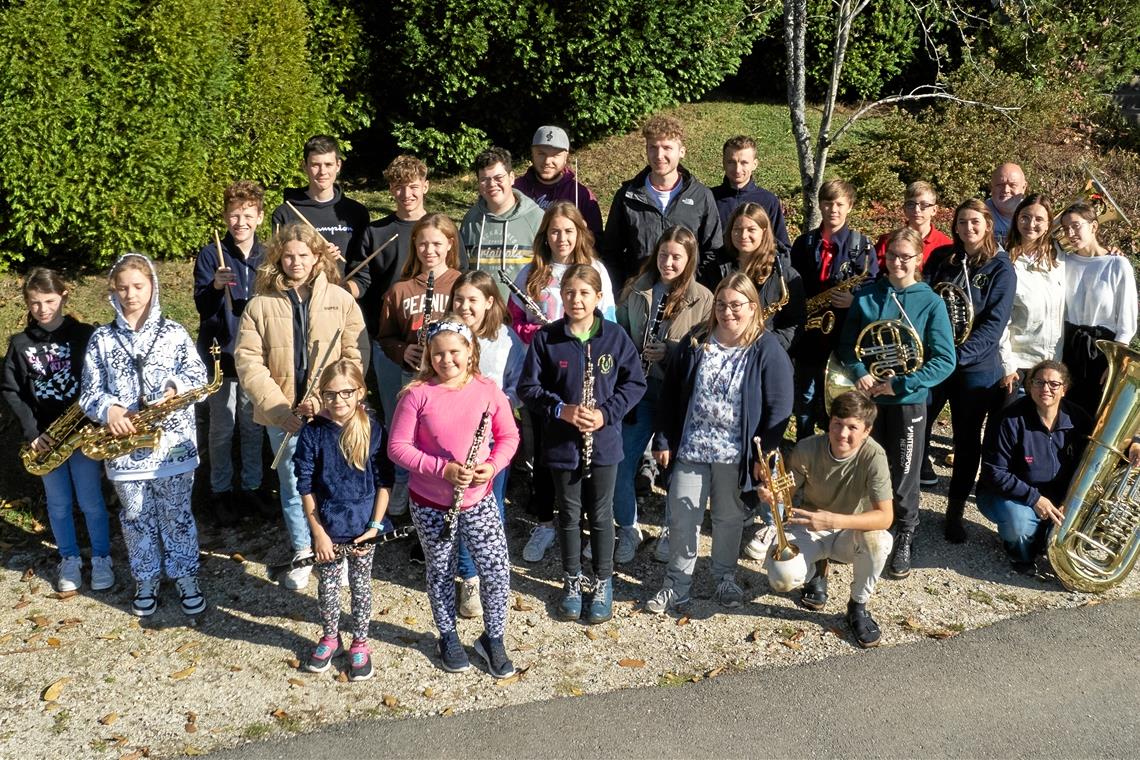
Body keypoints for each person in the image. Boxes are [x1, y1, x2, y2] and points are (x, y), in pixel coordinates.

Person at [646, 272, 793, 614]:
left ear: (753, 307)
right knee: (682, 515)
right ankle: (676, 585)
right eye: (722, 304)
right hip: (692, 446)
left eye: (737, 305)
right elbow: (670, 394)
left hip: (736, 453)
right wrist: (663, 437)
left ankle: (724, 578)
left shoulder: (766, 347)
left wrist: (766, 452)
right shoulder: (696, 340)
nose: (728, 312)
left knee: (728, 517)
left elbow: (781, 404)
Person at [235, 224, 368, 590]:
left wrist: (331, 398)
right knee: (294, 484)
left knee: (334, 481)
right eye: (288, 255)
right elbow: (248, 360)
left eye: (303, 255)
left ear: (317, 258)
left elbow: (355, 352)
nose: (296, 262)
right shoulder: (260, 305)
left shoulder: (340, 300)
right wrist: (280, 409)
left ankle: (336, 549)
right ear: (278, 258)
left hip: (330, 410)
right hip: (284, 415)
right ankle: (302, 549)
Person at [387, 319, 520, 679]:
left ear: (470, 352)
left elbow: (509, 436)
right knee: (441, 571)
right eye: (439, 353)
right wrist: (441, 469)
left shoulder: (487, 390)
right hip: (431, 502)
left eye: (455, 352)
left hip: (479, 498)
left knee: (495, 569)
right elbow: (397, 448)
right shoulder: (417, 394)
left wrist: (491, 467)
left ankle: (492, 638)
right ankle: (447, 635)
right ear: (429, 356)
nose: (447, 360)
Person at [79, 253, 209, 617]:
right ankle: (146, 577)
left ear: (153, 286)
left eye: (138, 286)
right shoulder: (102, 339)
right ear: (113, 292)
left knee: (178, 514)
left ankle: (185, 575)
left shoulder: (174, 333)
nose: (131, 295)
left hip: (172, 448)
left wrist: (174, 390)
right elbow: (89, 393)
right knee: (135, 516)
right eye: (123, 288)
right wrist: (110, 410)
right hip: (123, 449)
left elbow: (199, 379)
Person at [519, 264, 646, 624]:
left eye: (584, 293)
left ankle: (603, 582)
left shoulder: (615, 337)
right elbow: (528, 388)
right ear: (562, 295)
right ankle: (572, 580)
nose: (576, 299)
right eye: (570, 292)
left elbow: (634, 384)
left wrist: (607, 414)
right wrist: (560, 409)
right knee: (570, 515)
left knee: (601, 515)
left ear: (598, 298)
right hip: (561, 444)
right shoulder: (548, 338)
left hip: (603, 442)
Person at [838, 227, 955, 574]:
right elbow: (847, 346)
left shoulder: (931, 301)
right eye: (892, 255)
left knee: (904, 472)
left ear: (918, 259)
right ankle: (864, 524)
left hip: (907, 400)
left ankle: (905, 531)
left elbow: (944, 359)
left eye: (906, 256)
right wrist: (859, 369)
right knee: (866, 467)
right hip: (869, 399)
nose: (897, 262)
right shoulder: (867, 296)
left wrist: (902, 383)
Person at [511, 201, 617, 563]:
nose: (562, 238)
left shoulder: (594, 270)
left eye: (568, 231)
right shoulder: (531, 271)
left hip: (585, 376)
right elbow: (514, 319)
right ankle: (544, 522)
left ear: (580, 233)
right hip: (542, 375)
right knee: (542, 455)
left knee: (586, 457)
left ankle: (589, 527)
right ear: (545, 234)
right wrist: (536, 330)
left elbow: (609, 322)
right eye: (555, 231)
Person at [3, 269, 112, 594]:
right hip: (45, 439)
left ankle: (102, 557)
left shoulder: (84, 335)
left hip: (83, 433)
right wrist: (32, 431)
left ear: (63, 297)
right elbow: (11, 391)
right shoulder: (20, 344)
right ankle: (69, 557)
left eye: (49, 300)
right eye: (34, 303)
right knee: (59, 504)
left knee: (91, 501)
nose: (42, 308)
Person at [762, 391, 895, 649]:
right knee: (782, 575)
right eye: (837, 423)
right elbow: (785, 496)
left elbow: (886, 517)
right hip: (811, 525)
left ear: (867, 430)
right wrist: (771, 494)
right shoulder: (807, 447)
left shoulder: (874, 456)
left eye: (852, 427)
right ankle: (816, 571)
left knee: (880, 540)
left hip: (848, 530)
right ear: (829, 422)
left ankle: (857, 606)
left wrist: (833, 520)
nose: (842, 433)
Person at [616, 226, 714, 564]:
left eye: (676, 257)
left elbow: (706, 353)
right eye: (663, 254)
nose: (668, 262)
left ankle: (673, 528)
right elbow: (621, 338)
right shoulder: (637, 289)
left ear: (688, 260)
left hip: (679, 398)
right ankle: (628, 528)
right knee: (622, 461)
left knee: (679, 467)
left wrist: (671, 352)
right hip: (640, 391)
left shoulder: (704, 298)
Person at [923, 200, 1016, 550]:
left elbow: (993, 326)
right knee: (917, 426)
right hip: (937, 361)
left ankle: (955, 512)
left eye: (975, 221)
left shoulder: (1001, 269)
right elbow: (925, 301)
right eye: (961, 222)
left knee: (966, 441)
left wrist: (955, 357)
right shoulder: (942, 258)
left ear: (988, 224)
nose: (968, 228)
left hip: (976, 369)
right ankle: (903, 506)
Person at [295, 360, 392, 681]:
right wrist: (318, 534)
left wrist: (375, 527)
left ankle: (360, 642)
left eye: (346, 393)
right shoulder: (312, 433)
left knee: (361, 587)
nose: (338, 401)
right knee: (329, 585)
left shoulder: (374, 429)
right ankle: (330, 637)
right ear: (322, 395)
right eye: (330, 394)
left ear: (360, 392)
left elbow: (384, 482)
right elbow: (305, 486)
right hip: (328, 527)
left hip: (365, 527)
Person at [376, 213, 465, 519]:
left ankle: (445, 484)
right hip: (413, 374)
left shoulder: (460, 284)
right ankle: (404, 481)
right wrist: (403, 351)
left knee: (443, 434)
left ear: (449, 244)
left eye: (437, 243)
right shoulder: (400, 290)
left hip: (452, 378)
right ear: (414, 245)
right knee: (408, 433)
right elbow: (386, 337)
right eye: (423, 243)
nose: (430, 250)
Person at [449, 271, 524, 618]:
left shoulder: (507, 341)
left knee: (491, 506)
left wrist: (496, 405)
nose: (464, 306)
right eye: (459, 300)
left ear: (490, 303)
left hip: (492, 441)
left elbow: (517, 387)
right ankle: (469, 577)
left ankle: (494, 568)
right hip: (452, 442)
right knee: (463, 508)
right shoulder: (445, 337)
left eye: (472, 300)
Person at [193, 180, 268, 525]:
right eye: (235, 215)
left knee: (253, 425)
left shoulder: (267, 256)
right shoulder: (211, 255)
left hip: (255, 357)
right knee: (222, 426)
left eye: (248, 215)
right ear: (226, 217)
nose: (241, 222)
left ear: (260, 217)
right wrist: (215, 286)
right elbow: (202, 307)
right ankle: (220, 491)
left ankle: (251, 487)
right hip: (219, 354)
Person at [978, 360, 1091, 575]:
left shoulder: (1079, 418)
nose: (1045, 389)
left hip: (1057, 498)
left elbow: (1107, 445)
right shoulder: (1009, 419)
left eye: (1053, 384)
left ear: (1064, 389)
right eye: (1039, 382)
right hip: (1007, 495)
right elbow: (994, 473)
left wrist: (1136, 442)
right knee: (1019, 526)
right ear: (1029, 387)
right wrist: (1035, 499)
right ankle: (1020, 554)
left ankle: (1043, 538)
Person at [345, 155, 431, 422]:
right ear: (391, 190)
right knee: (397, 419)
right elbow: (362, 281)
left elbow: (456, 278)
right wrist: (340, 289)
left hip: (435, 340)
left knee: (432, 418)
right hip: (389, 339)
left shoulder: (439, 228)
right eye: (399, 187)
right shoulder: (376, 232)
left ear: (425, 186)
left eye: (413, 186)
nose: (407, 194)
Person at [790, 179, 875, 440]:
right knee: (805, 394)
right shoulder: (804, 243)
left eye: (839, 204)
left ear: (850, 206)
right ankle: (803, 443)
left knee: (839, 398)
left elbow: (873, 285)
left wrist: (854, 299)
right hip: (809, 334)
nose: (833, 209)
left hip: (843, 336)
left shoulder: (862, 246)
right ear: (820, 205)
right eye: (827, 203)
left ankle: (835, 445)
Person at [602, 115, 721, 291]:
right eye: (653, 147)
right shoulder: (627, 196)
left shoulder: (701, 196)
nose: (659, 155)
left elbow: (713, 251)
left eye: (667, 148)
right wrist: (623, 292)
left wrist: (695, 290)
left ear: (682, 151)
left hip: (686, 297)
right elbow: (611, 252)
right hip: (639, 295)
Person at [1058, 201, 1138, 417]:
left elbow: (1127, 322)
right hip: (1069, 344)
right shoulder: (1063, 261)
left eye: (1076, 226)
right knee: (1065, 412)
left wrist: (1115, 363)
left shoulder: (1118, 265)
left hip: (1102, 349)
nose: (1070, 233)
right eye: (1065, 228)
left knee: (1096, 414)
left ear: (1094, 226)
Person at [700, 202, 807, 354]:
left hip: (765, 357)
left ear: (764, 232)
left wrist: (766, 346)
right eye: (737, 229)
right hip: (720, 352)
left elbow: (794, 324)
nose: (743, 235)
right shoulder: (712, 269)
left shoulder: (786, 275)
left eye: (751, 229)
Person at [998, 194, 1065, 400]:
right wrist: (1007, 364)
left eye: (1039, 219)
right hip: (1016, 363)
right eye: (1025, 217)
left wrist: (1111, 253)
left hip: (1051, 362)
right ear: (1016, 219)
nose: (1031, 224)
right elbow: (1000, 319)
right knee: (1004, 426)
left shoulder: (1059, 258)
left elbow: (1091, 254)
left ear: (1048, 225)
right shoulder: (1003, 260)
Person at [459, 147, 545, 301]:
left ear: (511, 178)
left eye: (499, 177)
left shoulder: (536, 218)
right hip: (481, 316)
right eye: (484, 179)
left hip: (521, 316)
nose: (492, 184)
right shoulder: (470, 221)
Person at [270, 134, 369, 265]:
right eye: (315, 165)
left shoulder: (357, 212)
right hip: (301, 285)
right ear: (305, 166)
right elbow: (277, 262)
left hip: (345, 285)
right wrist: (320, 257)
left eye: (328, 164)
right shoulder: (285, 213)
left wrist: (348, 286)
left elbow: (363, 267)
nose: (322, 172)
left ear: (338, 165)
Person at [514, 125, 604, 240]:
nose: (547, 161)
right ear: (532, 153)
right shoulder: (516, 189)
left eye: (555, 155)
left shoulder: (581, 194)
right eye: (541, 154)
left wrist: (584, 234)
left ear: (566, 157)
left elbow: (598, 242)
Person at [712, 135, 790, 253]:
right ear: (723, 163)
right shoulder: (710, 198)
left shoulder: (768, 201)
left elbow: (782, 247)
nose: (737, 169)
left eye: (744, 163)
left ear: (754, 164)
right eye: (731, 162)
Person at [872, 181, 952, 269]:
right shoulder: (887, 241)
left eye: (924, 205)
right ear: (904, 209)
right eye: (911, 204)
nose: (916, 209)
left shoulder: (946, 245)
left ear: (934, 210)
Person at [985, 163, 1028, 244]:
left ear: (1024, 187)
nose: (1006, 190)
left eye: (1013, 185)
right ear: (991, 187)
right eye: (1000, 185)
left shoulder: (1035, 214)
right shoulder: (980, 213)